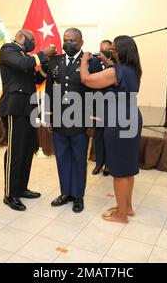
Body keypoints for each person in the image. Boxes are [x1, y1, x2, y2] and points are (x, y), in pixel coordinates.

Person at [80, 35, 143, 223]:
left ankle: (121, 215)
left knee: (119, 171)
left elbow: (87, 80)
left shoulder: (116, 71)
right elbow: (118, 77)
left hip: (118, 121)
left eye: (114, 49)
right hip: (131, 117)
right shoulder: (133, 69)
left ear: (122, 51)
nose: (111, 51)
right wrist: (109, 62)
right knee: (128, 168)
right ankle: (127, 207)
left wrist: (84, 60)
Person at [0, 29, 57, 211]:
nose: (34, 43)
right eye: (32, 39)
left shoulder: (26, 56)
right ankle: (10, 194)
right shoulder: (8, 49)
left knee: (26, 150)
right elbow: (22, 63)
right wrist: (43, 54)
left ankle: (21, 188)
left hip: (29, 108)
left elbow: (36, 78)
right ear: (20, 37)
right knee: (15, 152)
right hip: (14, 107)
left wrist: (47, 64)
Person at [45, 28, 102, 213]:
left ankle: (78, 195)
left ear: (81, 43)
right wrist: (49, 116)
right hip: (60, 119)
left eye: (72, 40)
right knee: (62, 158)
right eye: (65, 40)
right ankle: (65, 193)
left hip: (81, 120)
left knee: (79, 159)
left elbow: (96, 94)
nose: (68, 43)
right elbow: (50, 91)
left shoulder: (90, 62)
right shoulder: (55, 61)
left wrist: (93, 121)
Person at [91, 40, 112, 177]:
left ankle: (109, 164)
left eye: (107, 49)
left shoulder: (116, 64)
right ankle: (99, 163)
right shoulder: (94, 62)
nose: (104, 51)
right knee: (98, 136)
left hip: (112, 105)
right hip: (97, 104)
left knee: (109, 136)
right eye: (101, 49)